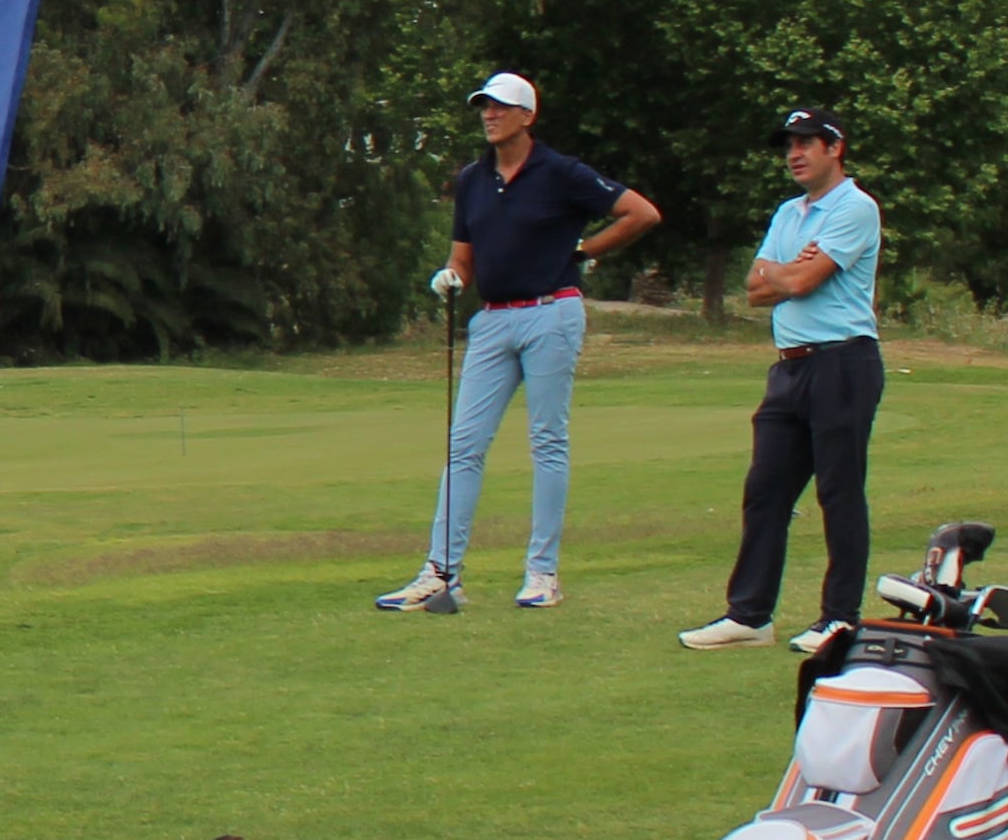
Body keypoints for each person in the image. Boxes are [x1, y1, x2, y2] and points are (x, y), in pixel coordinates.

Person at [376, 72, 658, 615]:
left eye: (501, 107)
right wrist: (453, 275)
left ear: (528, 116)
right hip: (493, 320)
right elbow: (464, 254)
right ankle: (441, 573)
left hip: (552, 312)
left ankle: (542, 572)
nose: (490, 115)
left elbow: (640, 213)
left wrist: (586, 250)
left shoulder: (561, 173)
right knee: (464, 446)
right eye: (484, 106)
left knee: (547, 441)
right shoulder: (472, 180)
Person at [680, 109, 883, 653]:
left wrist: (786, 273)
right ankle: (750, 615)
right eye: (790, 145)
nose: (794, 153)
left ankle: (839, 618)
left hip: (843, 361)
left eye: (807, 143)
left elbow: (804, 280)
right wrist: (783, 271)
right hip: (790, 365)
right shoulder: (789, 213)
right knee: (765, 490)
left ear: (834, 148)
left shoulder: (856, 208)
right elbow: (756, 286)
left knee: (839, 492)